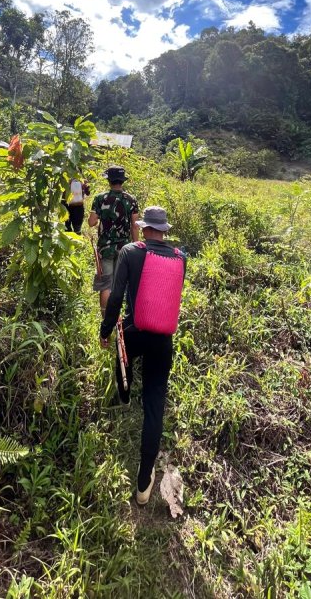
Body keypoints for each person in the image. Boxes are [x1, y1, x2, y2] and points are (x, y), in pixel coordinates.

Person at [100, 206, 186, 506]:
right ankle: (144, 481)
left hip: (133, 332)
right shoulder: (179, 257)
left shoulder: (129, 252)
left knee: (122, 359)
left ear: (144, 227)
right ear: (164, 230)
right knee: (154, 403)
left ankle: (123, 396)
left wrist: (106, 330)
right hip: (163, 339)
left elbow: (116, 297)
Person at [88, 165, 139, 315]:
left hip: (105, 248)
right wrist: (136, 246)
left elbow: (92, 223)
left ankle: (106, 320)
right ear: (122, 181)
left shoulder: (100, 198)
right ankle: (117, 318)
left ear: (109, 180)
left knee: (105, 284)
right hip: (125, 249)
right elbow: (134, 227)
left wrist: (94, 216)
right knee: (118, 284)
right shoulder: (131, 200)